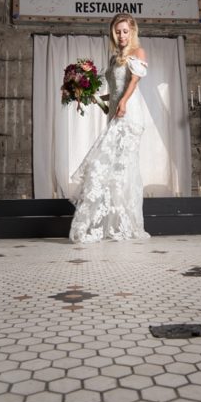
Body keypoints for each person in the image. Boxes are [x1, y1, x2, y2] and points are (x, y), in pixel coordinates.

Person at [68, 14, 151, 243]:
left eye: (125, 31)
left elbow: (133, 82)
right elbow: (110, 95)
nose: (121, 35)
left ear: (132, 31)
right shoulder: (115, 59)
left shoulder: (138, 53)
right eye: (117, 32)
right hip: (115, 113)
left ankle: (126, 224)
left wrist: (123, 103)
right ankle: (113, 223)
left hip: (130, 115)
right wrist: (85, 96)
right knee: (114, 170)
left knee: (118, 167)